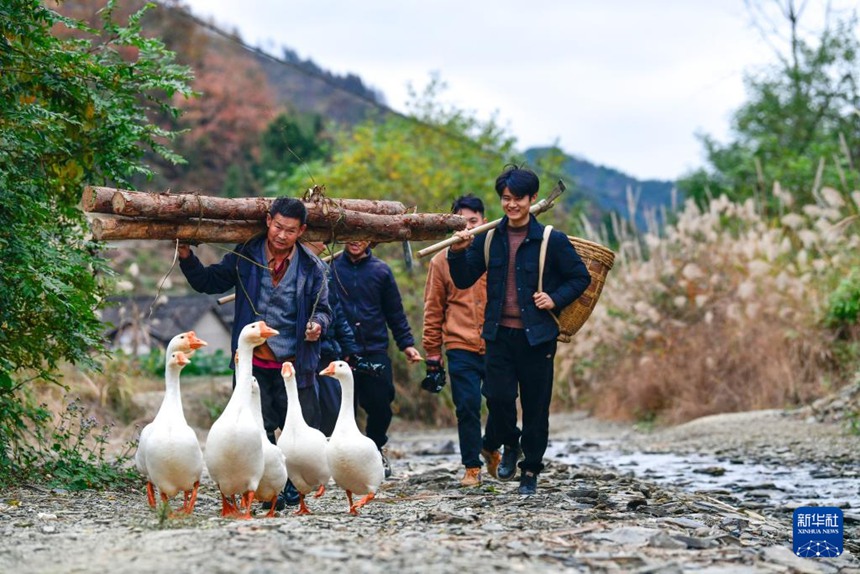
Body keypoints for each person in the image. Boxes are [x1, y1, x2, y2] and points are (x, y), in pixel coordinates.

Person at [177, 197, 332, 509]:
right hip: (252, 363)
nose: (281, 235)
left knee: (295, 425)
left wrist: (317, 325)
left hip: (292, 362)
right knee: (256, 428)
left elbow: (325, 311)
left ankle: (290, 485)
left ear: (301, 231)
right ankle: (266, 487)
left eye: (290, 230)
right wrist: (186, 256)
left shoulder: (313, 269)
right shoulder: (245, 256)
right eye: (277, 227)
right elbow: (209, 282)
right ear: (267, 221)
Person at [446, 165, 591, 494]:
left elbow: (580, 278)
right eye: (506, 199)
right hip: (498, 335)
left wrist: (554, 298)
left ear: (533, 199)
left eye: (518, 199)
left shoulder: (550, 240)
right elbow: (464, 278)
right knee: (497, 399)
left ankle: (530, 472)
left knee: (537, 406)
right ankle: (511, 443)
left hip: (538, 337)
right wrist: (457, 252)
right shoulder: (489, 238)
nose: (511, 205)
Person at [330, 240, 423, 477]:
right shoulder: (329, 269)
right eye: (352, 235)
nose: (356, 241)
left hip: (374, 348)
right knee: (339, 407)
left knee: (381, 404)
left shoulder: (381, 270)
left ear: (370, 240)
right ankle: (338, 461)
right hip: (339, 350)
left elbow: (395, 312)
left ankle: (375, 450)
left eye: (362, 235)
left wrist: (407, 344)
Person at [422, 194, 489, 488]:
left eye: (473, 222)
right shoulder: (440, 260)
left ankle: (494, 445)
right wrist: (432, 353)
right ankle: (472, 466)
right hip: (460, 343)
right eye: (461, 223)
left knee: (502, 401)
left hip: (496, 340)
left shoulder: (494, 253)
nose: (467, 228)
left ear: (484, 222)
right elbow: (433, 308)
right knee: (467, 405)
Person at [304, 241, 361, 437]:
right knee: (307, 411)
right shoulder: (290, 267)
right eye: (322, 239)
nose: (325, 243)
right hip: (300, 352)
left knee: (333, 410)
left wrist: (349, 349)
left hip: (326, 350)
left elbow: (336, 312)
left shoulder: (325, 269)